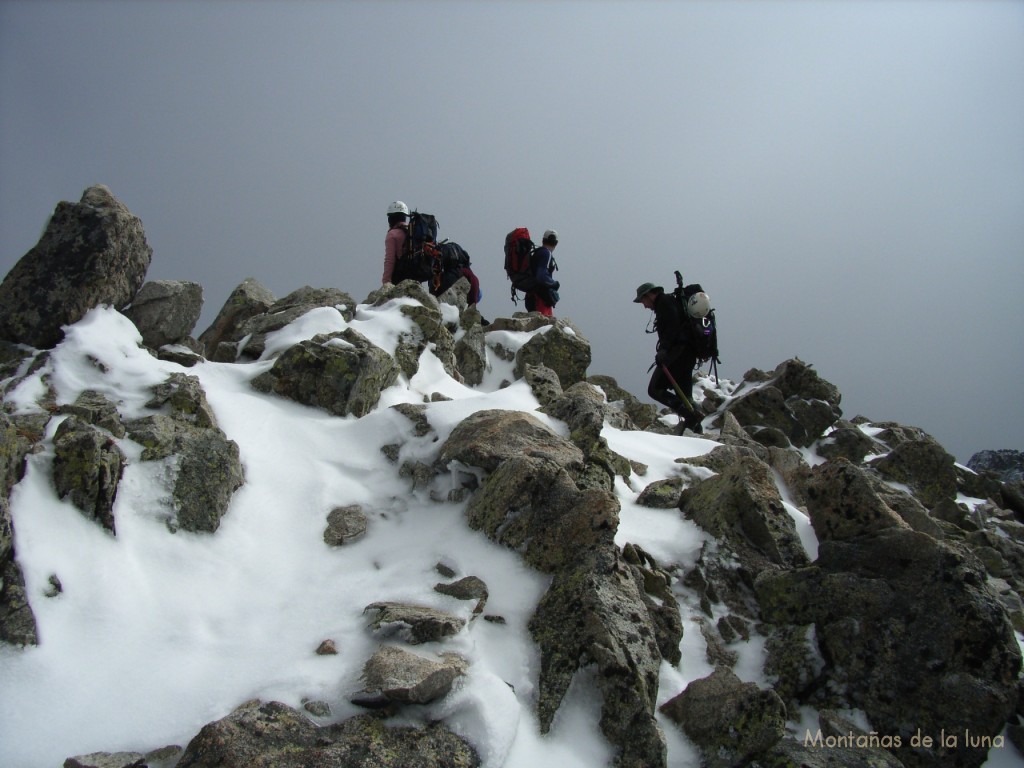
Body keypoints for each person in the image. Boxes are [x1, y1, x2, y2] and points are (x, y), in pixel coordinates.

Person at [634, 282, 703, 433]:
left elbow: (673, 326)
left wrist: (664, 350)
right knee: (685, 395)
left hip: (679, 352)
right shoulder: (668, 302)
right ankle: (695, 429)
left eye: (643, 301)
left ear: (649, 295)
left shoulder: (664, 302)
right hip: (688, 354)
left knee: (655, 389)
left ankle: (690, 416)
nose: (645, 306)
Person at [525, 229, 560, 316]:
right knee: (544, 327)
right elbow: (541, 276)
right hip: (540, 298)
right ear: (556, 243)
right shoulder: (546, 253)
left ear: (543, 240)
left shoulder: (538, 252)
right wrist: (554, 284)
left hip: (532, 296)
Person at [382, 201, 411, 285]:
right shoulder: (412, 231)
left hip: (400, 276)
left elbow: (389, 260)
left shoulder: (392, 235)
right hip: (415, 273)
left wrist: (386, 282)